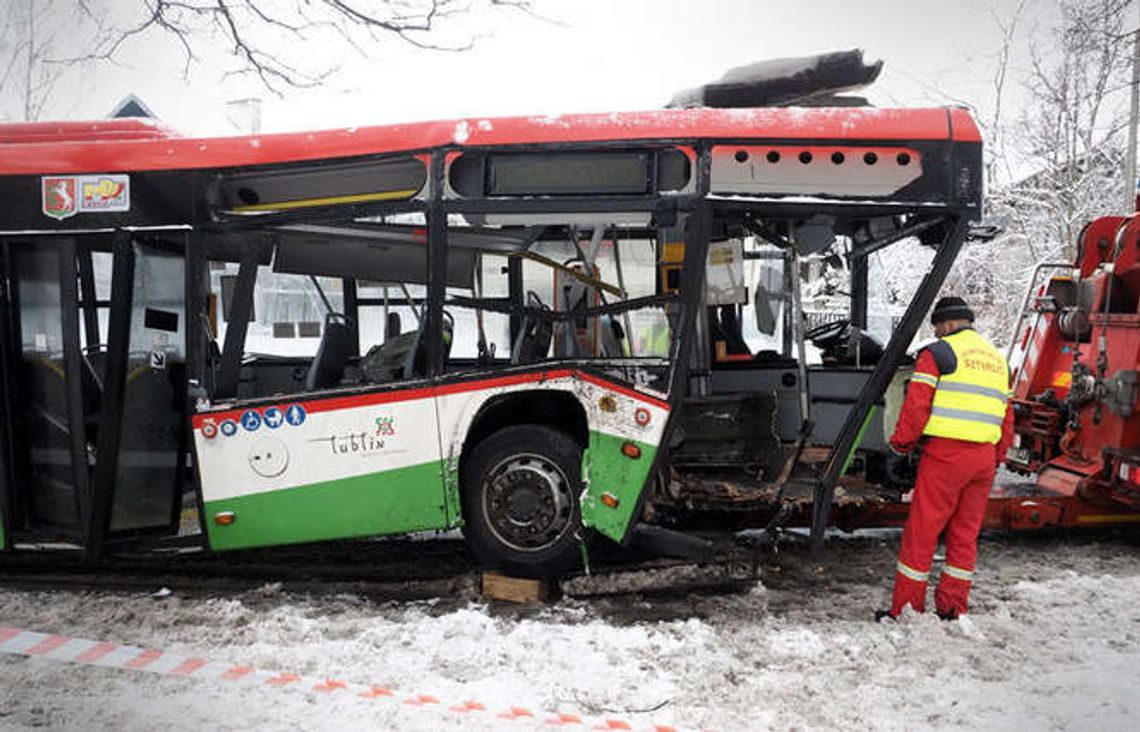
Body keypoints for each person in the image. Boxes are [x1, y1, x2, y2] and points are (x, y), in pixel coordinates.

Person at [877, 296, 1014, 621]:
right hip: (983, 458)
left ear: (948, 323)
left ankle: (907, 609)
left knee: (922, 531)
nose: (937, 334)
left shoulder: (938, 354)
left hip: (946, 455)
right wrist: (996, 457)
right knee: (965, 534)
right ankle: (953, 607)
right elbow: (1008, 418)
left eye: (938, 328)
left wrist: (900, 448)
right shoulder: (998, 360)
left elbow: (916, 408)